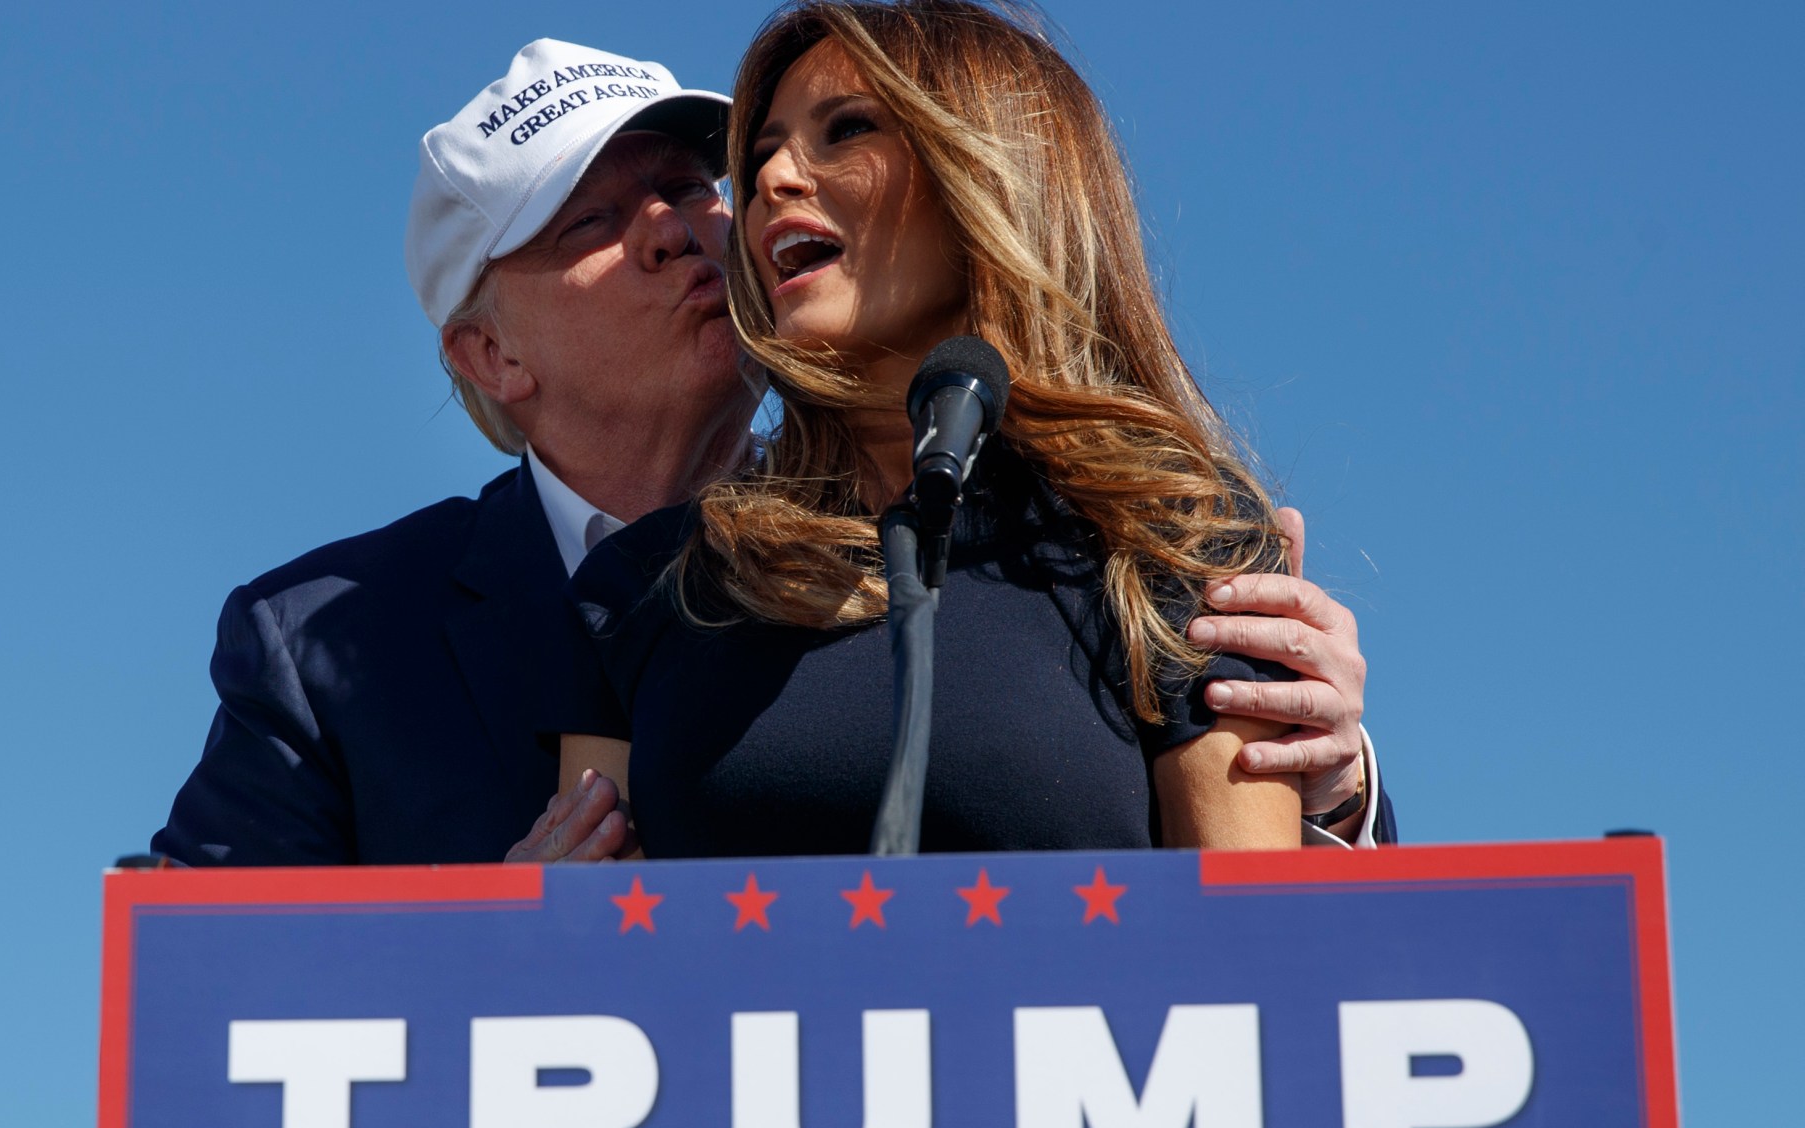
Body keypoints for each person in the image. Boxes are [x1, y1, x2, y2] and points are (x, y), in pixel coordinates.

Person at [152, 36, 1388, 868]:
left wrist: (1332, 785)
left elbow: (1270, 964)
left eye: (696, 181)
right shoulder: (324, 639)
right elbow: (203, 1009)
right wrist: (492, 968)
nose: (686, 229)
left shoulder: (1036, 521)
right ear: (490, 358)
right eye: (592, 219)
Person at [551, 0, 1367, 856]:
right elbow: (587, 955)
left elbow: (1251, 949)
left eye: (846, 130)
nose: (773, 181)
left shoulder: (1170, 532)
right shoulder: (646, 581)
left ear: (993, 172)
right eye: (762, 158)